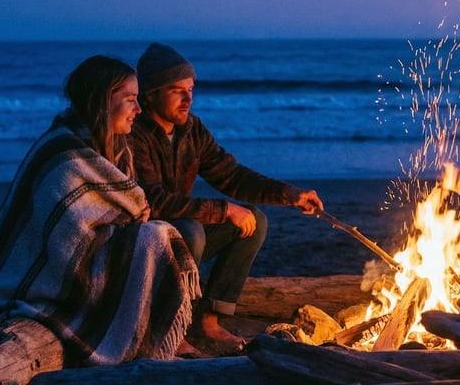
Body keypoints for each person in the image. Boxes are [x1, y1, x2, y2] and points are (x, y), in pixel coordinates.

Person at [0, 55, 201, 365]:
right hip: (43, 277)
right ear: (102, 102)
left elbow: (122, 207)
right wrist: (134, 220)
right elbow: (68, 236)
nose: (138, 110)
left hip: (91, 251)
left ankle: (161, 331)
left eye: (138, 99)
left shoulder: (114, 146)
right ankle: (147, 335)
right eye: (129, 100)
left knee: (156, 234)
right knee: (155, 236)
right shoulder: (63, 153)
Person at [129, 42, 325, 353]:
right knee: (188, 230)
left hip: (179, 235)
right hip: (140, 244)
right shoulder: (132, 133)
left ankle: (207, 322)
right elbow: (152, 201)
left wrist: (288, 194)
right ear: (150, 94)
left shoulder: (190, 130)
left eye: (191, 88)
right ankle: (168, 330)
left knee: (253, 221)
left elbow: (230, 174)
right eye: (176, 90)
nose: (188, 98)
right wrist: (222, 210)